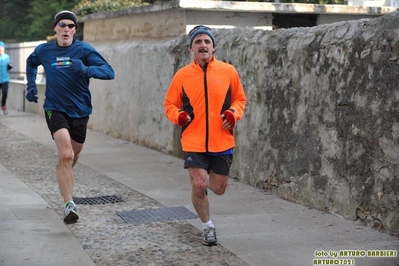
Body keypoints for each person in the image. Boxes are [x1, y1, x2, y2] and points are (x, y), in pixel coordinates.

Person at [25, 10, 115, 224]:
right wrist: (30, 85)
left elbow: (109, 72)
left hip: (81, 110)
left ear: (75, 30)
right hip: (54, 108)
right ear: (55, 28)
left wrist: (86, 69)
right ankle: (69, 205)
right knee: (65, 154)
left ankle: (63, 175)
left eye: (71, 26)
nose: (67, 29)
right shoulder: (44, 50)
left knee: (73, 156)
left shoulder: (83, 49)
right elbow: (30, 63)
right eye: (63, 25)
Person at [164, 25, 247, 246]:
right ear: (191, 47)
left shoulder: (228, 71)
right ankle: (208, 226)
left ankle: (207, 184)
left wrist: (233, 114)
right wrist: (179, 116)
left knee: (218, 188)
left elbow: (240, 100)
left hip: (222, 140)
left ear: (213, 46)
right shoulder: (182, 75)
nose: (203, 45)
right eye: (198, 41)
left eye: (207, 41)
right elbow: (169, 104)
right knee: (199, 184)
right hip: (193, 140)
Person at [0, 41, 12, 115]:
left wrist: (9, 66)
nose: (1, 49)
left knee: (5, 93)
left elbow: (9, 65)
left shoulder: (7, 57)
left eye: (2, 48)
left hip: (5, 78)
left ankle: (3, 105)